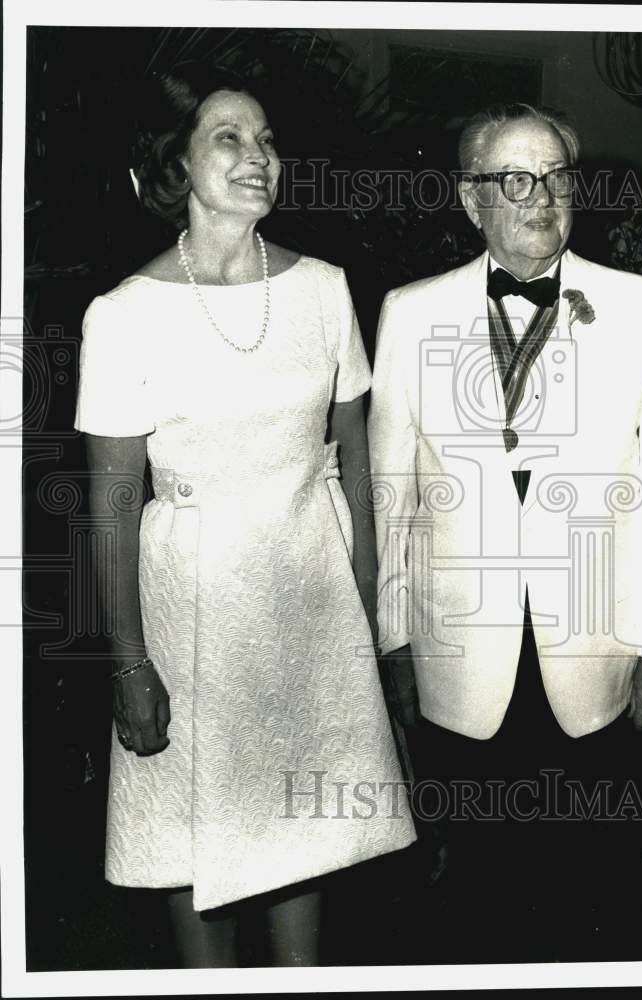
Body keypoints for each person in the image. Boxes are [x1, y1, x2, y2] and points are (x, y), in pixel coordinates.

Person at [74, 61, 415, 968]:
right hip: (192, 611)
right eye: (228, 137)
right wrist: (129, 666)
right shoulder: (123, 315)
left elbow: (356, 462)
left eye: (266, 140)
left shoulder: (326, 289)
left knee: (306, 835)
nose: (258, 154)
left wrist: (370, 616)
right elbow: (112, 506)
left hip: (307, 602)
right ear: (178, 164)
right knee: (199, 843)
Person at [368, 103, 642, 961]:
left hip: (597, 653)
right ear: (468, 198)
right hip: (457, 659)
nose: (541, 198)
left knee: (591, 891)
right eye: (514, 180)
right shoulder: (409, 313)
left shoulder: (641, 307)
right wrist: (395, 639)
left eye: (556, 177)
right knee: (471, 897)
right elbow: (392, 498)